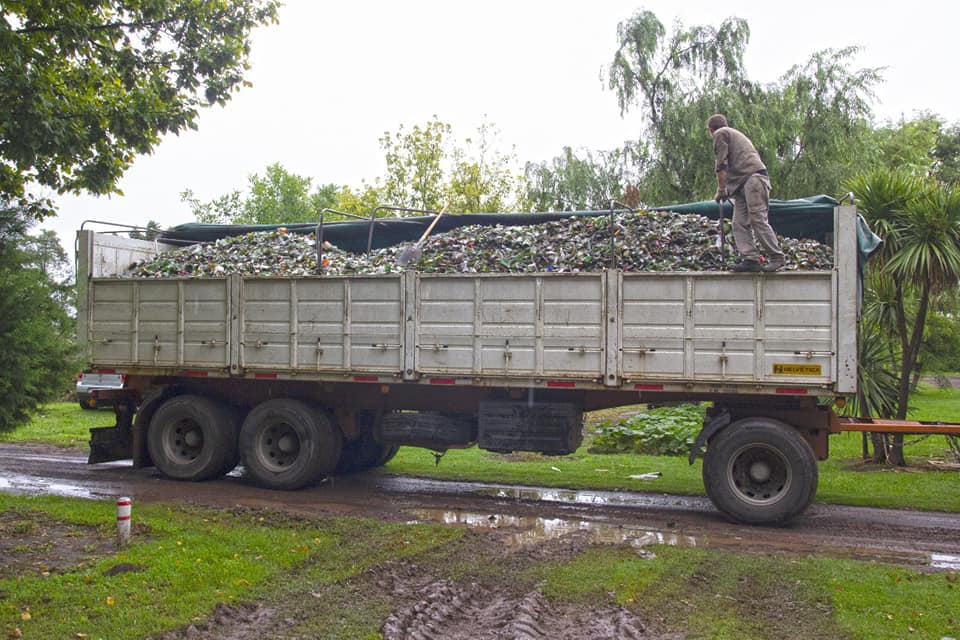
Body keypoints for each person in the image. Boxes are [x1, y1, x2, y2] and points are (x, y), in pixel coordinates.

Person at [707, 114, 785, 272]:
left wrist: (721, 190)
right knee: (739, 223)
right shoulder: (733, 135)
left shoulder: (720, 133)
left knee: (757, 218)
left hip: (753, 179)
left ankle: (776, 257)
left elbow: (721, 165)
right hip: (742, 184)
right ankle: (750, 258)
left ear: (710, 130)